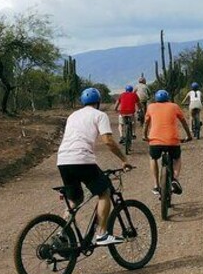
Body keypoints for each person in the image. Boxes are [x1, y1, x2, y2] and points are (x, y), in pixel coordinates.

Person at [57, 88, 132, 246]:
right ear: (98, 102)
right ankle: (102, 234)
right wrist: (123, 159)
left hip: (63, 160)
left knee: (75, 199)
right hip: (82, 159)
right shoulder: (99, 115)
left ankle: (61, 233)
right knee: (104, 192)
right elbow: (108, 141)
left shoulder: (72, 116)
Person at [144, 89, 192, 197]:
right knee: (177, 158)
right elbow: (183, 122)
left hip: (155, 141)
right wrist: (189, 135)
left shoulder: (151, 107)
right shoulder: (174, 106)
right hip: (172, 141)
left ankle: (156, 185)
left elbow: (146, 122)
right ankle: (175, 179)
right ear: (168, 98)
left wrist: (144, 136)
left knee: (153, 158)